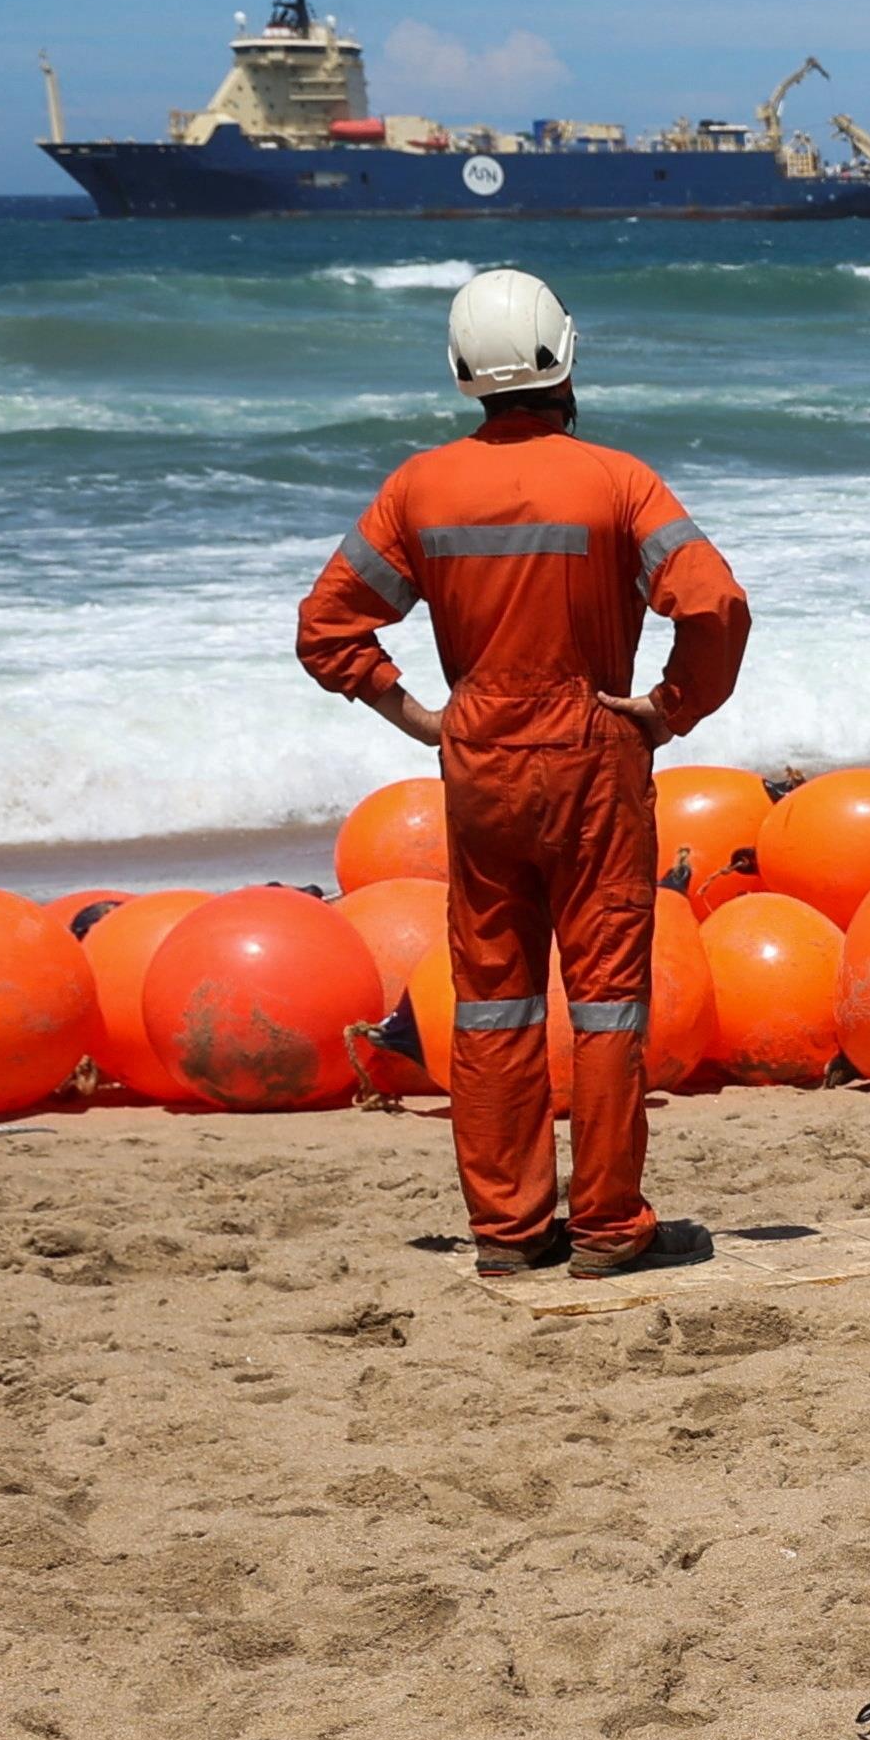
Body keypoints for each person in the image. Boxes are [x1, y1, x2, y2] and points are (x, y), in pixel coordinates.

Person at [297, 269, 747, 1281]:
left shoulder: (418, 487)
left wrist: (410, 710)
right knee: (606, 1005)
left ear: (462, 373)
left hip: (482, 764)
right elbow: (715, 604)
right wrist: (670, 708)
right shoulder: (618, 481)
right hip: (593, 757)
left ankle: (507, 1231)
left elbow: (327, 624)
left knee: (494, 1002)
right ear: (566, 357)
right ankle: (605, 1226)